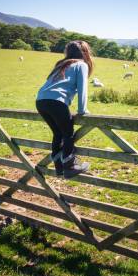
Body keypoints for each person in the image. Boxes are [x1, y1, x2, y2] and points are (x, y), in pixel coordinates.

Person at [36, 40, 92, 178]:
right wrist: (82, 110)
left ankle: (59, 167)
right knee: (68, 134)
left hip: (40, 101)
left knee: (58, 133)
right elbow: (82, 89)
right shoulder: (81, 64)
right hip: (57, 102)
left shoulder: (62, 64)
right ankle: (70, 167)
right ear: (85, 52)